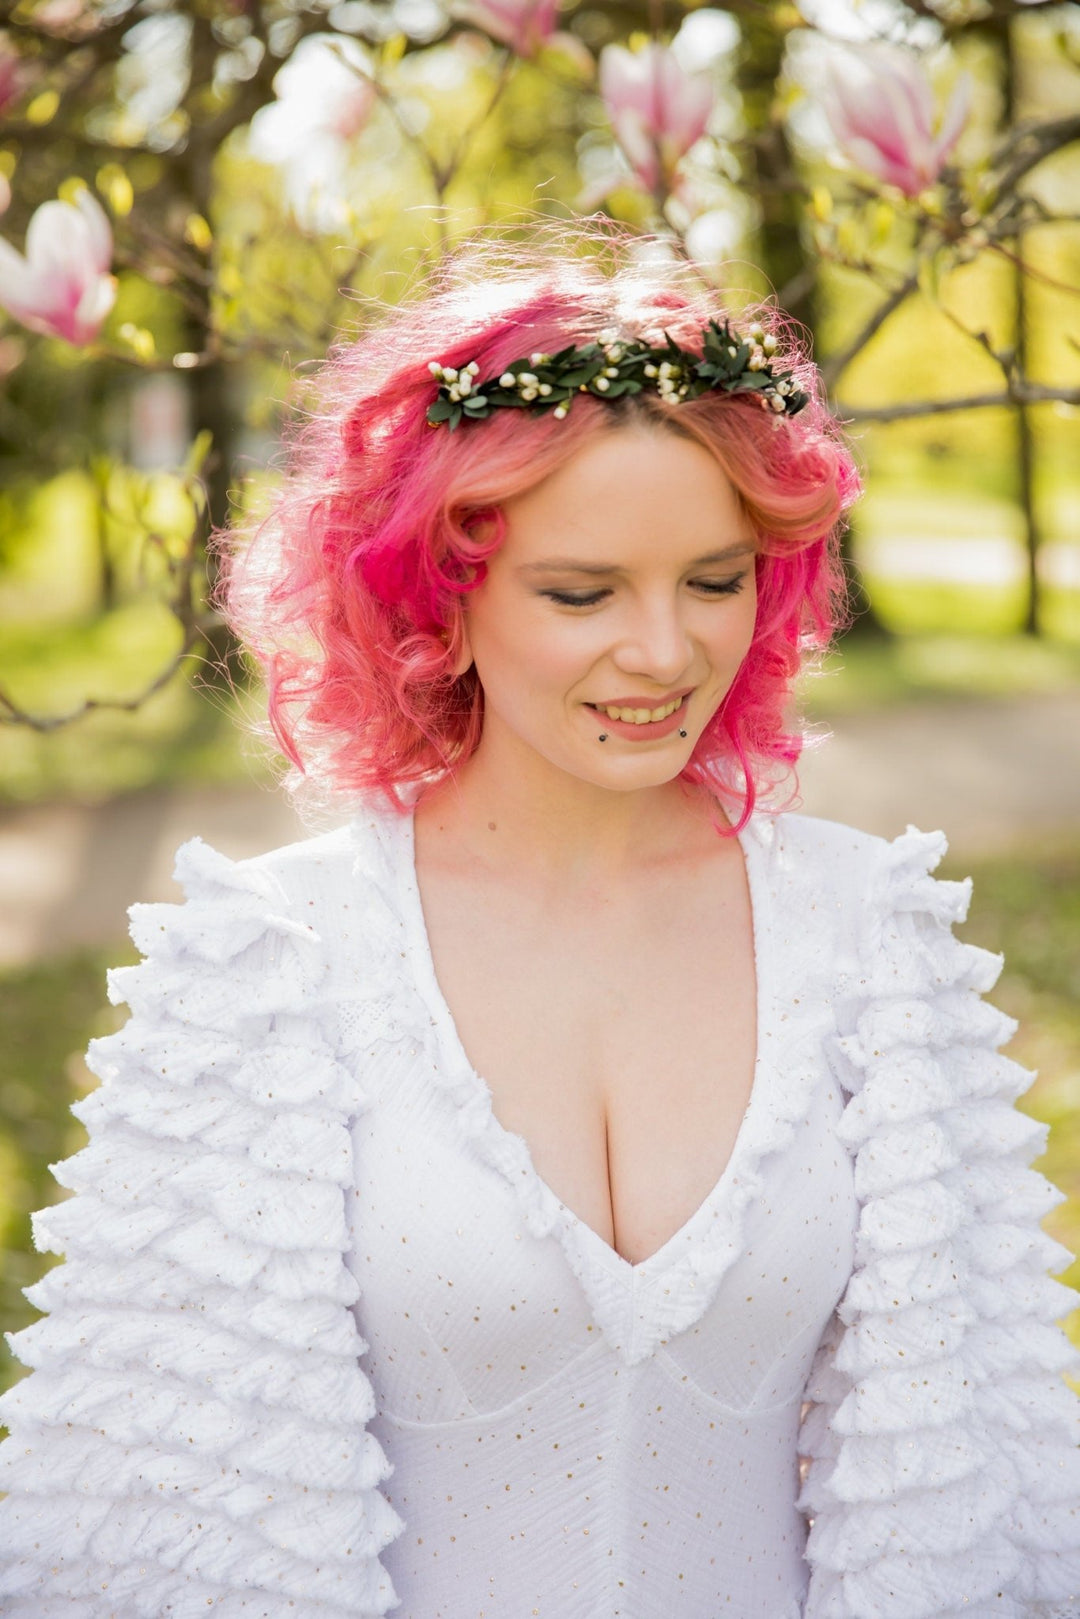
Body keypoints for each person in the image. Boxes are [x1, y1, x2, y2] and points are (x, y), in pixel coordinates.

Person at [1, 223, 1078, 1619]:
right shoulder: (269, 972)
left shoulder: (877, 943)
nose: (666, 651)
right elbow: (148, 1530)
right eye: (581, 593)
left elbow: (975, 1490)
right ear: (433, 602)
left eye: (714, 578)